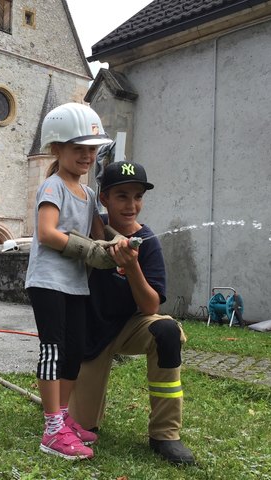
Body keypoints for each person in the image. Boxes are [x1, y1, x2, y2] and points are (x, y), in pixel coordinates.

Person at [68, 161, 196, 465]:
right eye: (122, 196)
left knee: (167, 330)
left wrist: (131, 265)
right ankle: (60, 398)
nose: (131, 204)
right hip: (91, 333)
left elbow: (151, 306)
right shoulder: (90, 226)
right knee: (82, 426)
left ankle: (165, 435)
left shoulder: (148, 242)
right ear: (104, 199)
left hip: (130, 327)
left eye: (137, 196)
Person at [24, 102, 115, 460]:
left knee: (75, 352)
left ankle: (63, 418)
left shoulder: (89, 194)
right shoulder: (53, 186)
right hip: (47, 281)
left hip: (76, 283)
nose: (87, 156)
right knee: (53, 349)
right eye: (79, 149)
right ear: (56, 149)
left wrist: (116, 245)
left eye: (92, 150)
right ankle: (51, 431)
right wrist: (88, 249)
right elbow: (47, 233)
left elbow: (98, 235)